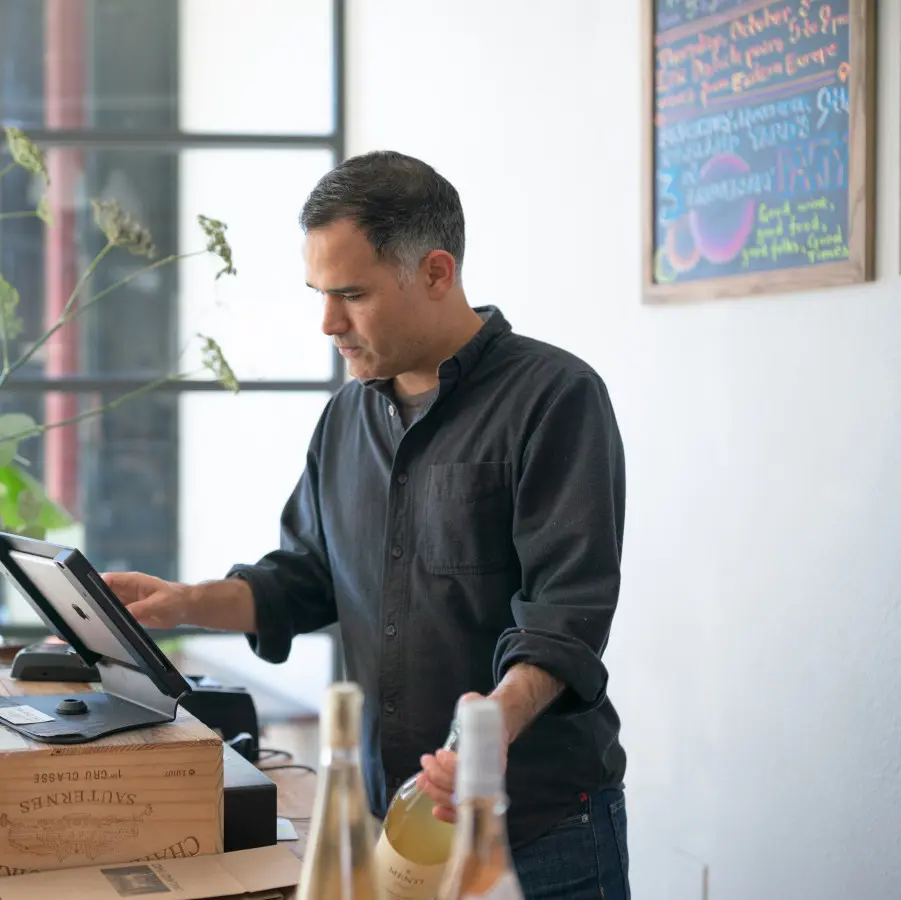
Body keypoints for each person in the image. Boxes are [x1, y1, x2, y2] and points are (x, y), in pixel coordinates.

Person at [102, 151, 629, 898]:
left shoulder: (555, 398)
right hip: (393, 821)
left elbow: (564, 615)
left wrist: (489, 730)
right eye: (319, 293)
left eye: (351, 295)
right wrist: (181, 603)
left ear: (436, 273)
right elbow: (307, 580)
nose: (327, 323)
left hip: (540, 830)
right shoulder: (347, 414)